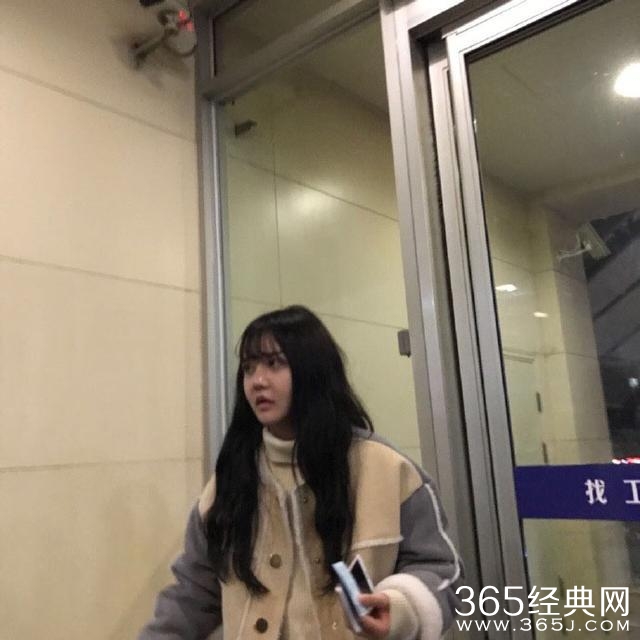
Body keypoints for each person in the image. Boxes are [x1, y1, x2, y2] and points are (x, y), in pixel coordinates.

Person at [139, 305, 463, 640]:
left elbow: (443, 572)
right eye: (248, 368)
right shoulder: (228, 483)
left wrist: (402, 607)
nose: (257, 381)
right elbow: (193, 595)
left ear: (313, 369)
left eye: (274, 363)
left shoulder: (386, 470)